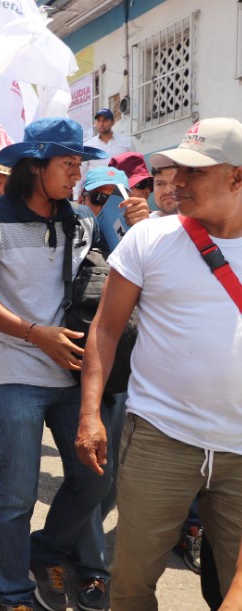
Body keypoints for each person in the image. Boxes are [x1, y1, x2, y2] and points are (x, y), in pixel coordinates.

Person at [75, 117, 242, 610]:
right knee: (130, 583)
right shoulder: (149, 240)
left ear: (237, 176)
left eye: (195, 171)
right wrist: (89, 414)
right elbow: (104, 329)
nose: (178, 182)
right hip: (159, 438)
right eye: (175, 170)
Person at [0, 117, 113, 611]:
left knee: (95, 479)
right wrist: (34, 334)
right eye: (68, 164)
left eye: (79, 165)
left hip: (72, 375)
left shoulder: (84, 220)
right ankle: (13, 592)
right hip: (16, 375)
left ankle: (43, 550)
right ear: (36, 164)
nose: (77, 174)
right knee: (17, 494)